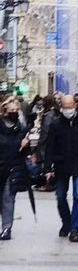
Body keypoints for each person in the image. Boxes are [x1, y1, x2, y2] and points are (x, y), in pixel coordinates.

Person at [44, 95, 78, 243]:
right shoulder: (55, 125)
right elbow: (49, 147)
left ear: (75, 105)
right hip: (61, 165)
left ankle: (74, 229)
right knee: (61, 196)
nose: (68, 110)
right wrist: (47, 168)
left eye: (70, 106)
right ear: (60, 107)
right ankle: (66, 222)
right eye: (65, 107)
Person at [0, 99, 30, 240]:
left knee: (8, 198)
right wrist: (19, 144)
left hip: (13, 168)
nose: (13, 113)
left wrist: (25, 146)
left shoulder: (22, 128)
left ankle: (7, 228)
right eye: (10, 110)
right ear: (4, 112)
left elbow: (24, 152)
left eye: (15, 110)